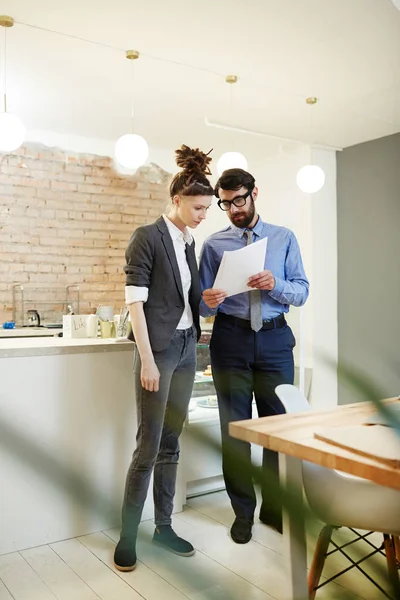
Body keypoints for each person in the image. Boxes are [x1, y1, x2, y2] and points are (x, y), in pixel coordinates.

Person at [114, 145, 214, 571]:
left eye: (208, 208)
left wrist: (207, 299)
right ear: (176, 199)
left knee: (172, 444)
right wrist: (149, 359)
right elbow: (135, 303)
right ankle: (127, 536)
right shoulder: (147, 237)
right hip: (159, 352)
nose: (203, 214)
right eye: (198, 207)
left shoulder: (190, 242)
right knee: (148, 447)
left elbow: (187, 302)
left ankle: (164, 527)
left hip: (189, 347)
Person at [199, 168, 309, 544]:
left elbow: (302, 291)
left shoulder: (284, 238)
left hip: (276, 340)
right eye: (225, 203)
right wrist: (207, 300)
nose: (233, 209)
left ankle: (274, 509)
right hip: (230, 340)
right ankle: (242, 512)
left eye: (239, 200)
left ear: (254, 192)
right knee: (235, 428)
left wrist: (275, 284)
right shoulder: (214, 244)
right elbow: (202, 302)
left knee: (277, 429)